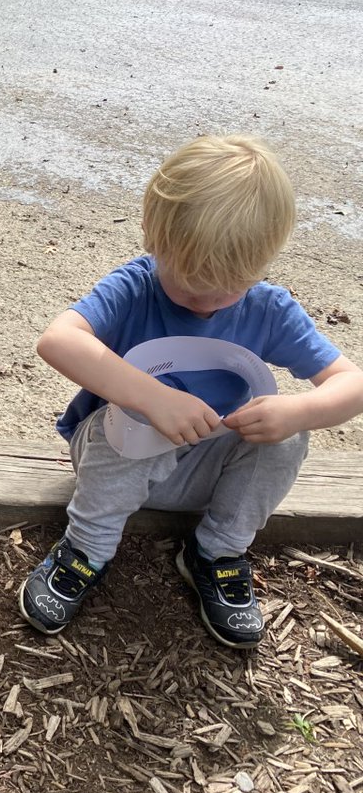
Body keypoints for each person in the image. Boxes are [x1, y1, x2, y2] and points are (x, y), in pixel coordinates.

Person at [19, 134, 363, 648]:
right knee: (134, 424)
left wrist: (299, 411)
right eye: (190, 283)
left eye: (230, 287)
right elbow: (57, 340)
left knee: (291, 436)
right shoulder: (136, 288)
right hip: (114, 456)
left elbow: (351, 383)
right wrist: (151, 398)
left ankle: (216, 552)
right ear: (152, 237)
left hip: (209, 471)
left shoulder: (268, 309)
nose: (209, 301)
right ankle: (85, 549)